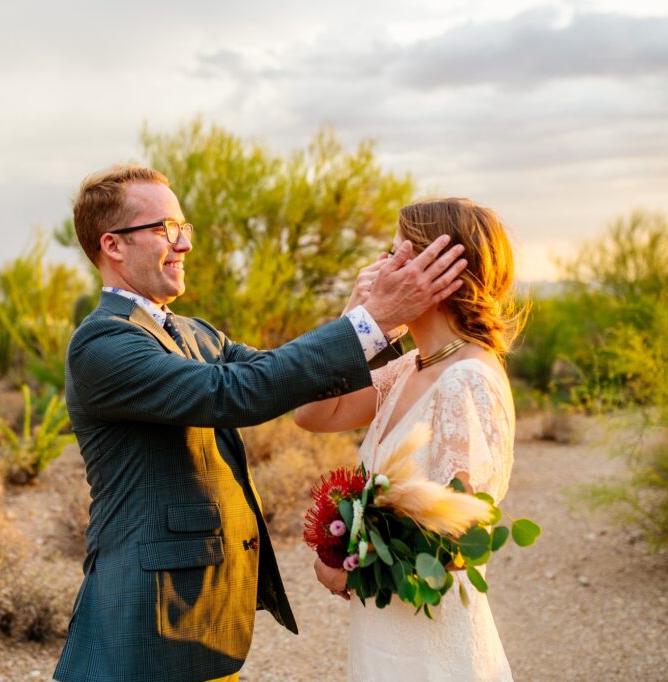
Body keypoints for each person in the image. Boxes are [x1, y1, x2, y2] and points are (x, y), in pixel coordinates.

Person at [52, 164, 468, 682]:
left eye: (184, 228)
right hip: (147, 619)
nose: (183, 244)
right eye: (165, 229)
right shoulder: (103, 344)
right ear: (112, 246)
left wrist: (363, 313)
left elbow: (279, 373)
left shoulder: (194, 333)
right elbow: (233, 394)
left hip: (202, 612)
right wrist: (366, 323)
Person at [295, 197, 524, 681]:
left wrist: (350, 569)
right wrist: (353, 320)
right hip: (386, 633)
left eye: (394, 252)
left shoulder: (467, 379)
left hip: (432, 647)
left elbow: (458, 542)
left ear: (436, 270)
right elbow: (312, 413)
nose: (378, 267)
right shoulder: (408, 367)